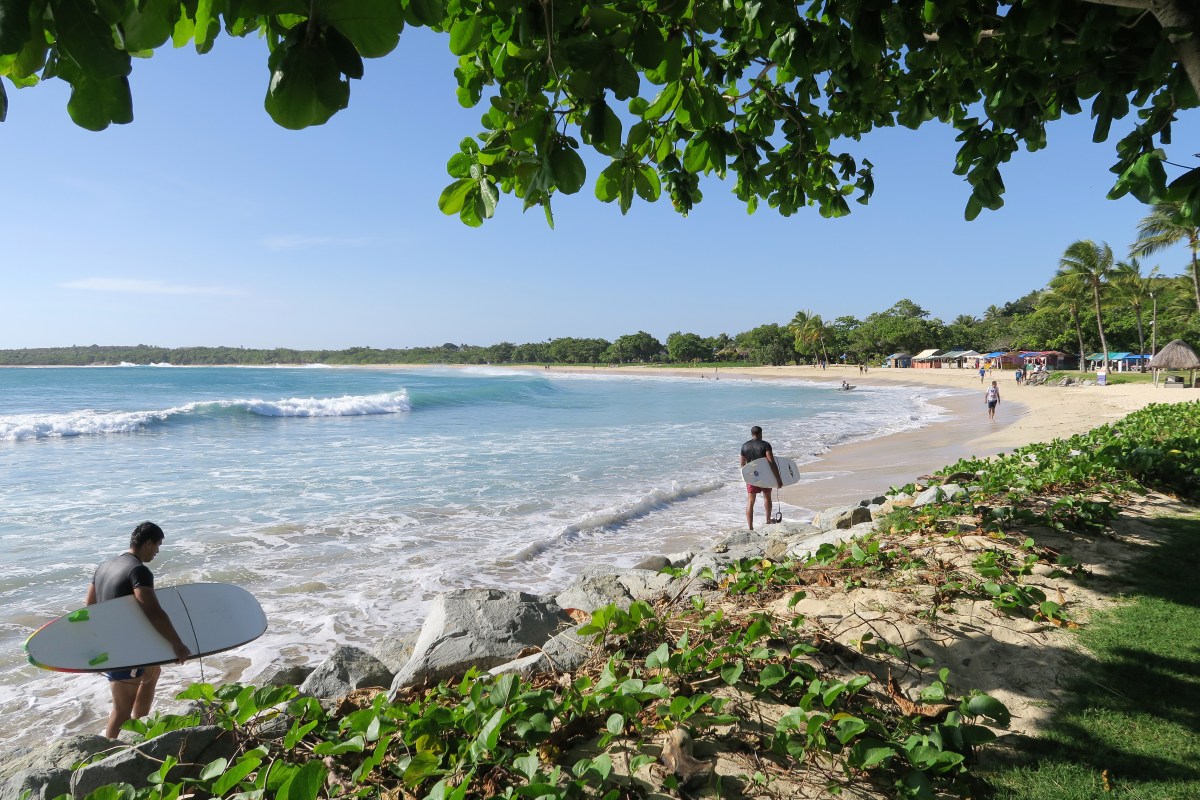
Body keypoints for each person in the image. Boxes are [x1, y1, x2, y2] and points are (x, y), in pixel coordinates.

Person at [87, 521, 191, 738]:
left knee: (153, 672)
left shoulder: (103, 567)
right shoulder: (138, 571)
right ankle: (110, 755)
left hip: (118, 643)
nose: (157, 551)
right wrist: (177, 644)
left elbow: (90, 609)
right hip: (127, 650)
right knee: (121, 709)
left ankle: (140, 728)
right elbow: (152, 610)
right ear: (147, 543)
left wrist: (95, 648)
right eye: (157, 545)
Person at [740, 426, 782, 530]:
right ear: (760, 433)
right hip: (765, 476)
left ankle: (750, 528)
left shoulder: (744, 446)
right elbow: (771, 462)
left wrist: (748, 476)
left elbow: (742, 464)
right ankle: (767, 521)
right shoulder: (765, 445)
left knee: (750, 501)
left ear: (752, 434)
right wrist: (778, 479)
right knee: (767, 497)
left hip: (752, 477)